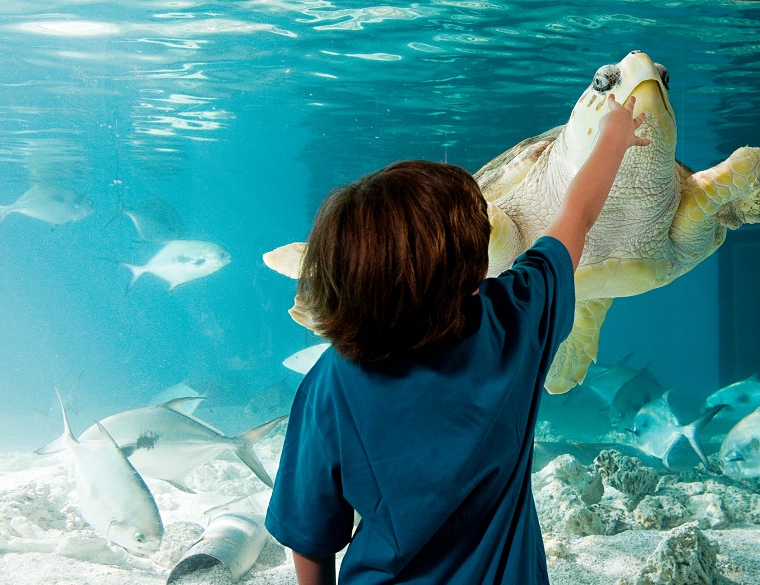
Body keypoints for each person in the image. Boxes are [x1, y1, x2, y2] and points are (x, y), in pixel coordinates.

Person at [265, 94, 649, 585]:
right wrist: (614, 137)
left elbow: (310, 539)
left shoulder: (330, 383)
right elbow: (577, 216)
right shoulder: (514, 320)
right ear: (474, 277)